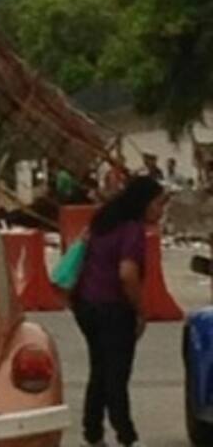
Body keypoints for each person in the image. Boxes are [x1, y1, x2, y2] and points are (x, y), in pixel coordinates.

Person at [72, 176, 167, 447]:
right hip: (114, 307)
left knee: (99, 370)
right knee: (117, 375)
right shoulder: (131, 229)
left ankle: (93, 433)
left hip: (87, 305)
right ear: (145, 202)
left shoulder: (103, 221)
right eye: (159, 203)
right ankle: (126, 436)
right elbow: (127, 273)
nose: (160, 210)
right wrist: (140, 310)